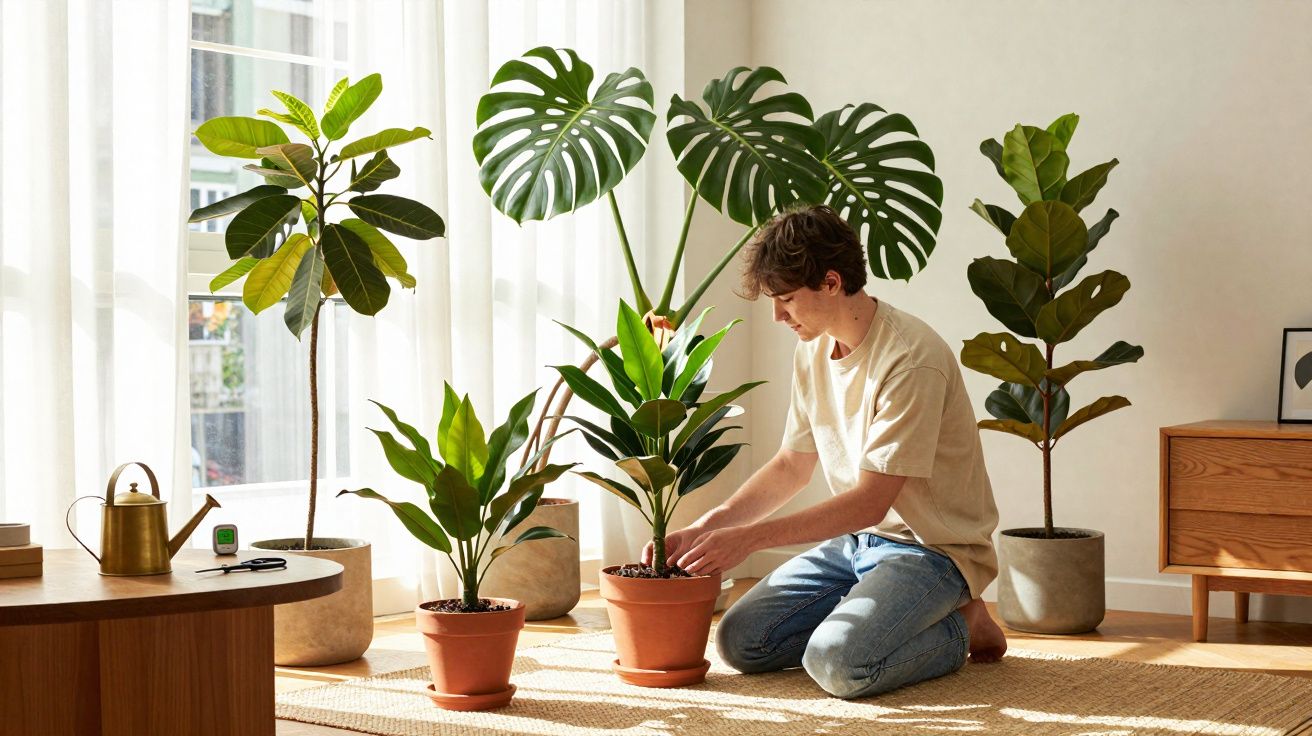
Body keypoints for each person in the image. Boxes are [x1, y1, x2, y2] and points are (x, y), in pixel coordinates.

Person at [644, 204, 1008, 699]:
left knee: (838, 664)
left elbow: (869, 502)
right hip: (858, 543)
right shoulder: (813, 349)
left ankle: (963, 625)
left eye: (787, 300)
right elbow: (792, 465)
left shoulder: (911, 359)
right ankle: (880, 615)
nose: (777, 316)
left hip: (934, 552)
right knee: (740, 642)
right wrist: (710, 527)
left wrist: (746, 541)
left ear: (831, 282)